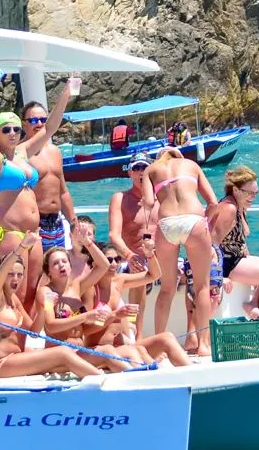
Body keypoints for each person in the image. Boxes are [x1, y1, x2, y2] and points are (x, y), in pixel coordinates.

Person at [0, 68, 74, 312]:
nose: (13, 133)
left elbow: (50, 127)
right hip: (11, 233)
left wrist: (66, 92)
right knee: (14, 292)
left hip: (36, 233)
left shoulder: (23, 153)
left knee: (33, 290)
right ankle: (12, 339)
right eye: (6, 129)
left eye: (15, 129)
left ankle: (24, 342)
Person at [0, 232, 102, 379]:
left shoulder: (14, 301)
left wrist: (44, 308)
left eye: (20, 275)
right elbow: (1, 272)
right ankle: (103, 381)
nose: (16, 279)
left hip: (17, 360)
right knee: (62, 352)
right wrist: (22, 247)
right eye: (10, 274)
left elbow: (34, 331)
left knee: (63, 361)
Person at [141, 147, 219, 356]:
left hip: (166, 223)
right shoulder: (191, 166)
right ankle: (203, 345)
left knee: (167, 287)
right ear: (179, 157)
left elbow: (149, 203)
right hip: (194, 221)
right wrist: (205, 223)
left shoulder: (151, 169)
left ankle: (159, 347)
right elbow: (213, 202)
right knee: (202, 287)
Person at [84, 242, 190, 367]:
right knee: (137, 352)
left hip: (125, 346)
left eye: (117, 259)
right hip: (101, 350)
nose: (113, 264)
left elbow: (154, 275)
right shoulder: (89, 289)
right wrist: (114, 315)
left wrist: (150, 255)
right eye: (109, 260)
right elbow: (86, 330)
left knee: (167, 338)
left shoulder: (119, 281)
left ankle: (195, 379)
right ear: (96, 262)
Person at [37, 241, 134, 372]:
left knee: (116, 351)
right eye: (55, 263)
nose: (61, 265)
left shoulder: (77, 287)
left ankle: (139, 376)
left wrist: (87, 242)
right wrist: (85, 316)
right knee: (107, 351)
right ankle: (135, 377)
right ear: (48, 271)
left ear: (70, 266)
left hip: (79, 352)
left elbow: (103, 265)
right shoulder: (46, 292)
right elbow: (51, 326)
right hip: (58, 357)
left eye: (64, 261)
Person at [209, 166, 259, 320]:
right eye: (249, 193)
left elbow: (240, 241)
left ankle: (253, 303)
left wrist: (250, 261)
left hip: (236, 258)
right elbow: (211, 241)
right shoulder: (229, 208)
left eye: (255, 193)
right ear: (235, 190)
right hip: (225, 264)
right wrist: (218, 275)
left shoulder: (240, 205)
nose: (252, 197)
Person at [108, 152, 158, 337]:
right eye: (136, 168)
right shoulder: (120, 198)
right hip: (133, 260)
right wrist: (130, 256)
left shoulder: (161, 198)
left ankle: (194, 337)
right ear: (129, 173)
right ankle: (136, 338)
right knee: (138, 272)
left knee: (195, 277)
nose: (141, 172)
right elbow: (114, 235)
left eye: (145, 167)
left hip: (159, 260)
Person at [21, 101, 77, 252]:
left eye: (43, 120)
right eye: (33, 120)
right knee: (36, 273)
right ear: (23, 124)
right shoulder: (20, 155)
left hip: (57, 223)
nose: (39, 124)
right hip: (35, 223)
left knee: (58, 270)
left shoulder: (55, 152)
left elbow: (63, 191)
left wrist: (73, 222)